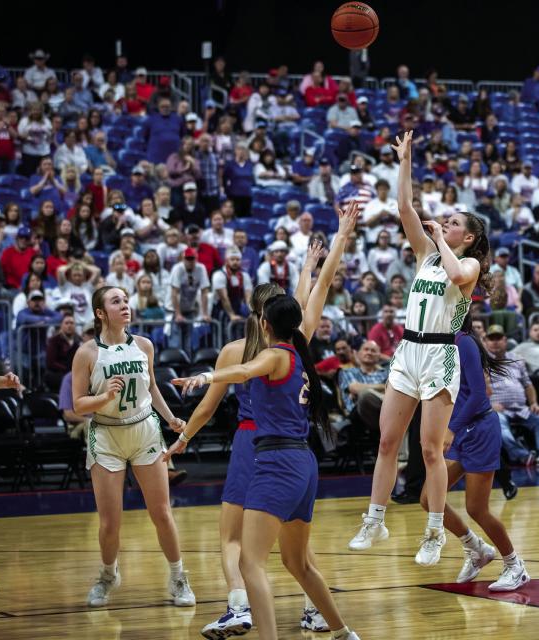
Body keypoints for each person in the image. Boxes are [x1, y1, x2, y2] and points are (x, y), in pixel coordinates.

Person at [166, 206, 361, 640]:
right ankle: (337, 627)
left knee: (238, 547)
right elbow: (318, 290)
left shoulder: (253, 353)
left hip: (263, 448)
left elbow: (225, 388)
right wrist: (325, 253)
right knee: (297, 559)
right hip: (303, 456)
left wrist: (202, 387)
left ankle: (240, 607)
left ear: (259, 318)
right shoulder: (300, 345)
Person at [349, 130, 490, 568]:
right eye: (445, 222)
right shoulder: (425, 254)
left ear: (468, 237)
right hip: (407, 352)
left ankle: (434, 533)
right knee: (388, 440)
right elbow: (404, 207)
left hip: (439, 354)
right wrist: (404, 161)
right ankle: (375, 519)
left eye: (454, 224)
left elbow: (456, 271)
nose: (445, 224)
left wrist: (441, 240)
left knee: (431, 450)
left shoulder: (466, 262)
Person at [71, 286, 195, 608]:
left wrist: (169, 419)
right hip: (107, 436)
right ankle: (108, 575)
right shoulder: (87, 353)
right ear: (100, 313)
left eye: (126, 301)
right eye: (116, 302)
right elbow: (78, 404)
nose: (125, 306)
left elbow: (151, 386)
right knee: (110, 522)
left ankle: (178, 576)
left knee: (162, 513)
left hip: (144, 431)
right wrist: (104, 397)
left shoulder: (144, 345)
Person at [420, 315, 530, 591]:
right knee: (427, 499)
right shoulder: (441, 344)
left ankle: (515, 566)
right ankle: (476, 548)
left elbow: (480, 395)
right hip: (460, 431)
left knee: (476, 508)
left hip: (478, 430)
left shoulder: (464, 342)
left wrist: (451, 429)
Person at [484, 325, 539, 466]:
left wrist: (534, 403)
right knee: (497, 423)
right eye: (491, 339)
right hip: (497, 410)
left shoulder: (516, 359)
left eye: (498, 338)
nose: (495, 342)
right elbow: (476, 388)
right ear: (485, 342)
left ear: (505, 340)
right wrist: (488, 404)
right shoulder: (481, 361)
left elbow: (528, 384)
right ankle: (523, 456)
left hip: (521, 408)